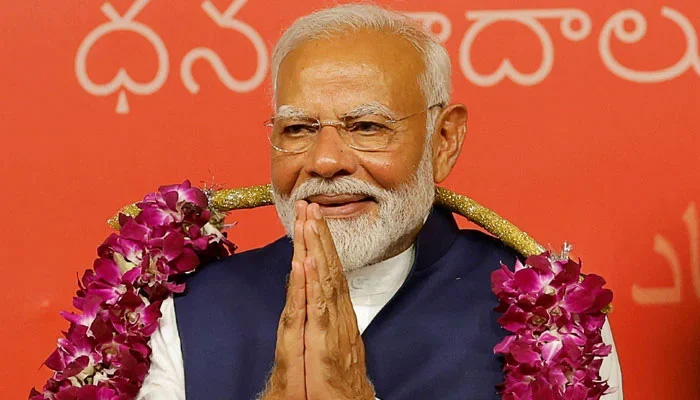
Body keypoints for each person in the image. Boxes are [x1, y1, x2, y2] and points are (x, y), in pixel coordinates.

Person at [136, 4, 622, 400]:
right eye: (299, 129)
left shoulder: (549, 318)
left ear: (443, 140)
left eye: (367, 127)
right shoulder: (191, 310)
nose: (325, 162)